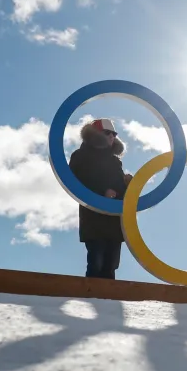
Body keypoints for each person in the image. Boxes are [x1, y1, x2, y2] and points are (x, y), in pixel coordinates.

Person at [69, 118, 133, 280]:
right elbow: (76, 181)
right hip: (94, 217)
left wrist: (128, 186)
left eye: (114, 133)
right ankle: (90, 298)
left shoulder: (115, 161)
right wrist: (102, 191)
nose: (112, 136)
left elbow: (119, 189)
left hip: (113, 220)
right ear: (96, 134)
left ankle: (107, 304)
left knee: (110, 266)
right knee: (96, 262)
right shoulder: (80, 156)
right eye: (107, 133)